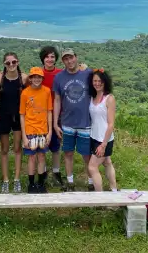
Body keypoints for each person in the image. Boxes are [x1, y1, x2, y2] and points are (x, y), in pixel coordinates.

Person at [53, 49, 94, 191]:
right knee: (68, 153)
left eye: (71, 58)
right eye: (66, 59)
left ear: (76, 58)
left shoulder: (88, 74)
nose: (69, 61)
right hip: (67, 123)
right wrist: (55, 123)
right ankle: (70, 182)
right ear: (63, 61)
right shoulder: (59, 78)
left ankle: (91, 182)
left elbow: (100, 86)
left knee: (86, 155)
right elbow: (57, 101)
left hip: (85, 122)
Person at [0, 52, 27, 193]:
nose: (11, 65)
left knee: (17, 149)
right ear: (4, 64)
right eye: (8, 63)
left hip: (19, 117)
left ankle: (17, 179)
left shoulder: (24, 79)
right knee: (4, 150)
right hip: (3, 116)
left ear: (18, 62)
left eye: (14, 62)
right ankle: (5, 180)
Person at [20, 67, 53, 193]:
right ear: (30, 78)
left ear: (42, 78)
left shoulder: (47, 91)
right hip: (30, 130)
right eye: (34, 77)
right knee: (31, 158)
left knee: (42, 156)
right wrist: (24, 135)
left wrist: (50, 132)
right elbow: (22, 115)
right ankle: (31, 184)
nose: (36, 79)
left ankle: (40, 183)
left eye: (39, 77)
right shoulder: (25, 93)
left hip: (43, 130)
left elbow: (49, 111)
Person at [87, 69, 118, 192]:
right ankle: (114, 190)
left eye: (100, 81)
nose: (97, 83)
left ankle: (100, 197)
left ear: (105, 82)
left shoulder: (109, 98)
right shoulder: (93, 96)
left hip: (104, 139)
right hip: (94, 136)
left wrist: (103, 144)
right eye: (95, 81)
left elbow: (111, 124)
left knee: (92, 167)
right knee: (107, 162)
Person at [39, 46, 64, 187]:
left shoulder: (60, 73)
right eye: (47, 56)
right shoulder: (37, 74)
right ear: (43, 58)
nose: (50, 59)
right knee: (40, 146)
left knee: (55, 146)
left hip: (57, 114)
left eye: (52, 57)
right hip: (40, 116)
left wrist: (84, 67)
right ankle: (41, 174)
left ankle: (56, 172)